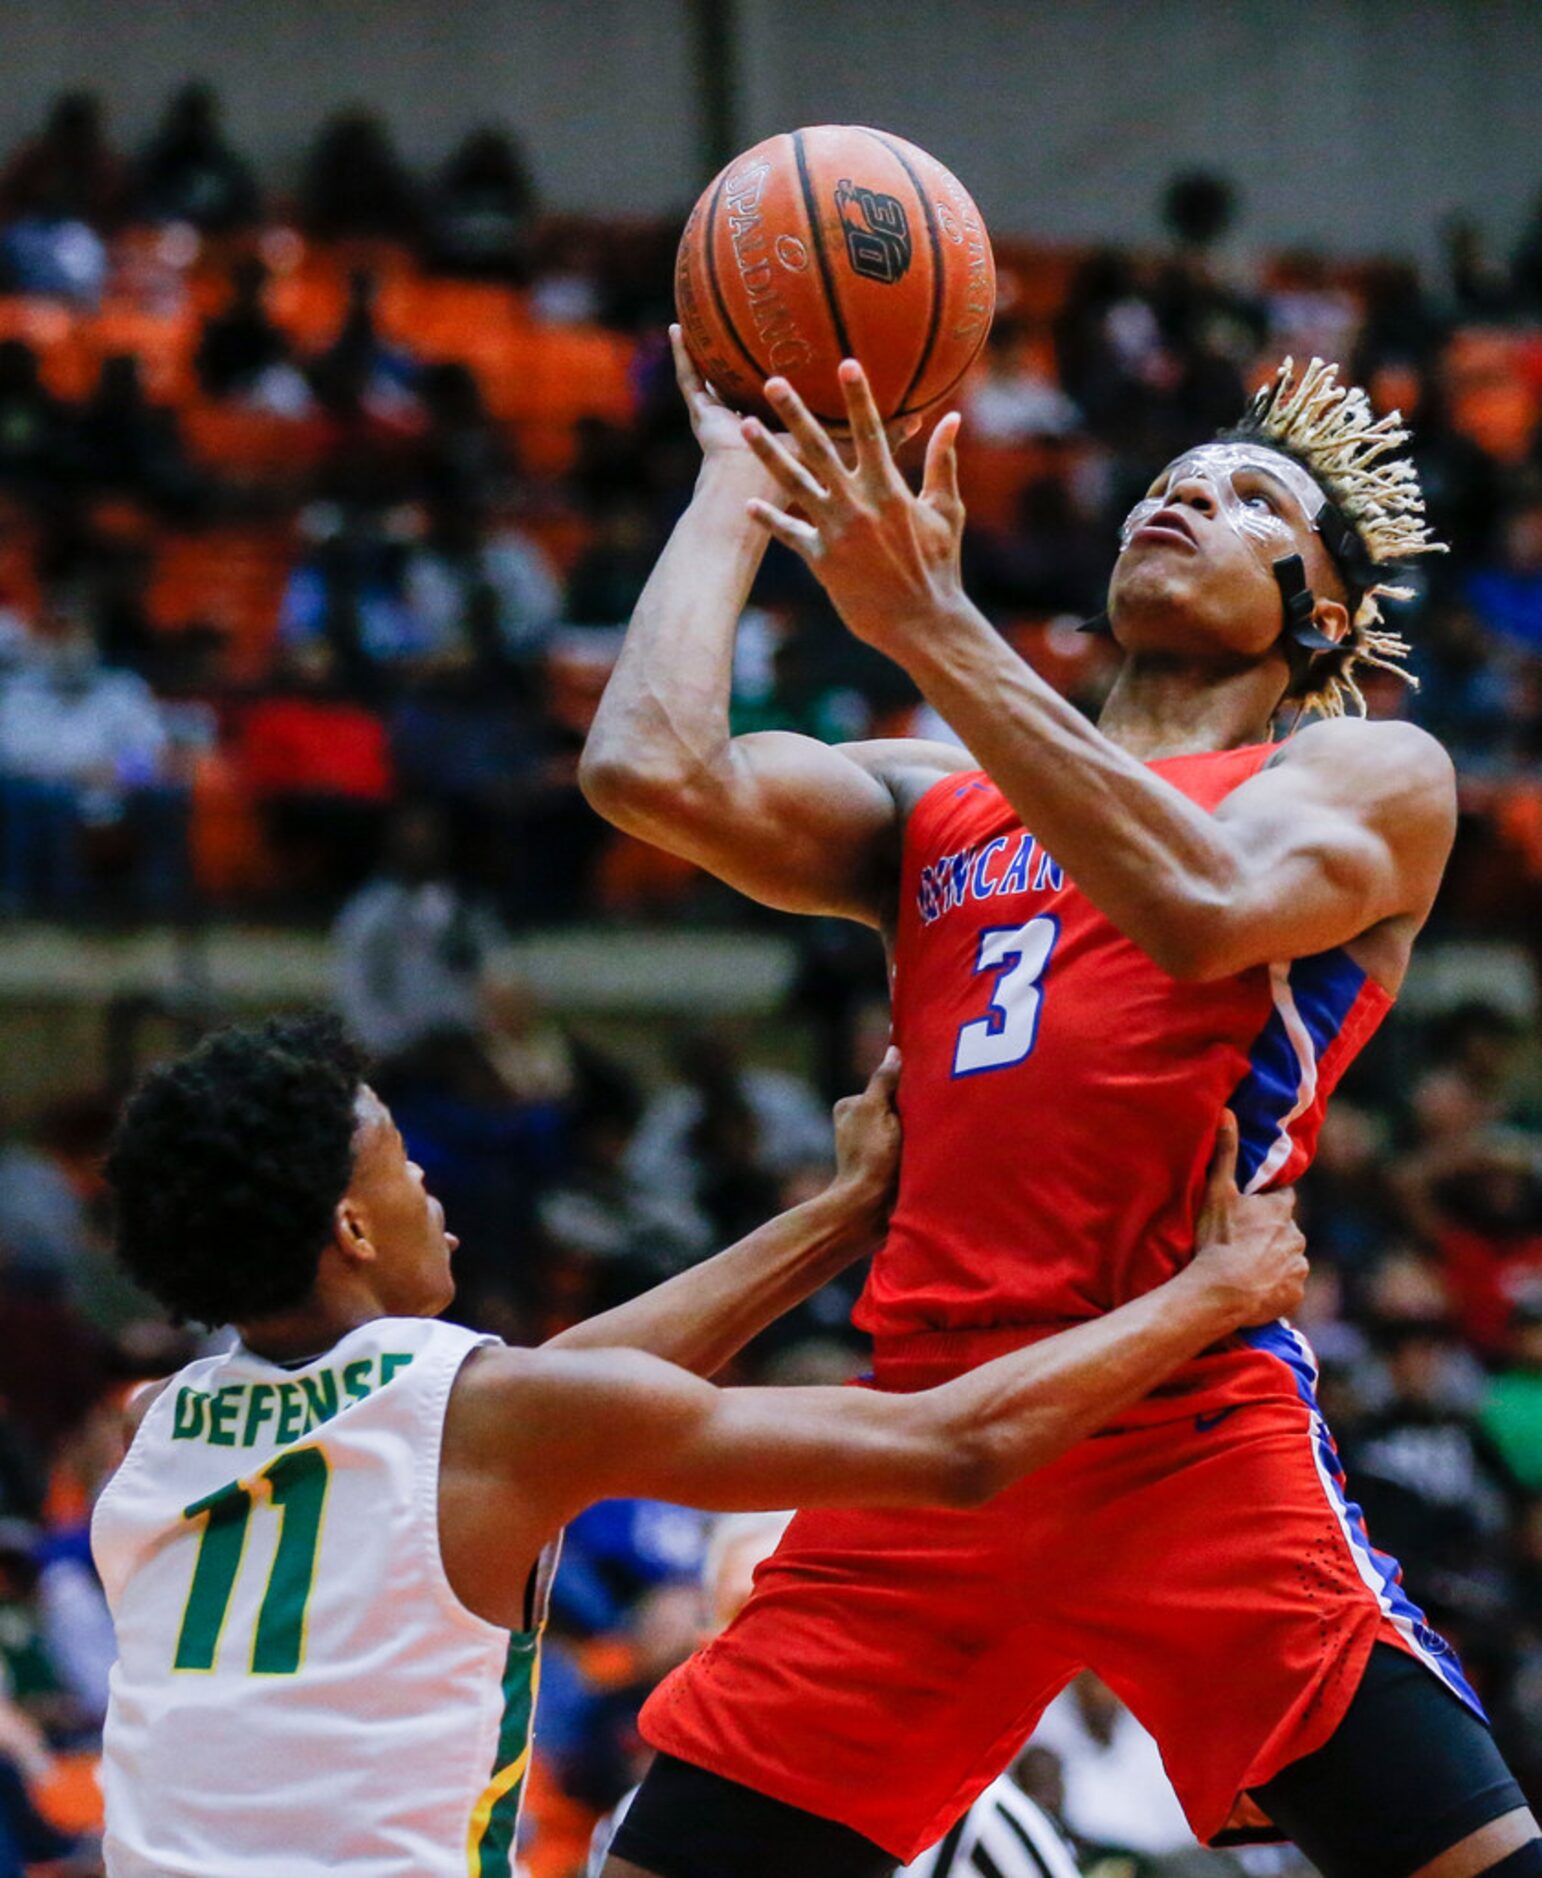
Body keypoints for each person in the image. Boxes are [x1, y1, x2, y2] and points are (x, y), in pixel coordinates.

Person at [580, 336, 1542, 1878]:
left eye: (1242, 500)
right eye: (1166, 482)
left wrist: (932, 623)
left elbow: (1201, 907)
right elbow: (648, 769)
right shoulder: (929, 795)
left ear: (1325, 616)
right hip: (917, 1430)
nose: (1183, 498)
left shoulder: (1370, 769)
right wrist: (733, 491)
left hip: (1180, 1422)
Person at [91, 1013, 1303, 1876]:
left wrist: (838, 1220)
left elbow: (549, 1396)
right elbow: (959, 1448)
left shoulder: (156, 1427)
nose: (433, 1185)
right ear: (353, 1226)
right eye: (407, 1164)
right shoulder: (484, 1421)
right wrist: (1211, 1292)